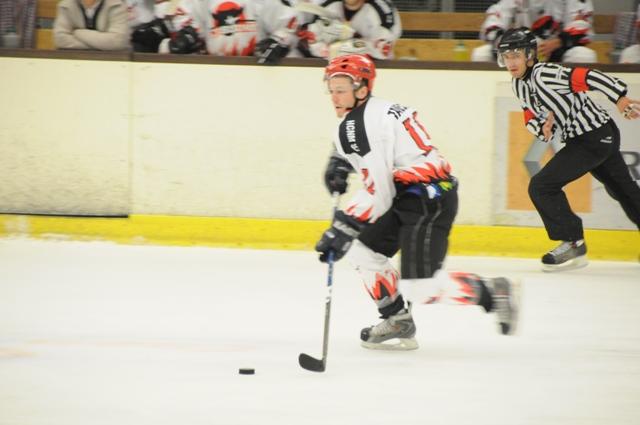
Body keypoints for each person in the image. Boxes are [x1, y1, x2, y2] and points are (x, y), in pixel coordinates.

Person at [315, 54, 519, 351]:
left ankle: (492, 292)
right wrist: (340, 159)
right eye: (331, 90)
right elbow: (379, 147)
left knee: (421, 288)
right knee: (362, 248)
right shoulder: (377, 109)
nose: (334, 97)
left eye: (341, 90)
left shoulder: (360, 124)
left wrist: (344, 225)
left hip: (427, 199)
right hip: (409, 194)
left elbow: (379, 192)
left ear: (362, 89)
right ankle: (397, 319)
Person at [497, 27, 640, 272]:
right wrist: (542, 127)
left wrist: (620, 98)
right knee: (624, 191)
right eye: (506, 57)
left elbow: (590, 76)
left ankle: (574, 243)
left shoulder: (545, 74)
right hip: (592, 137)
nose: (511, 62)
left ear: (530, 56)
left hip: (593, 137)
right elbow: (529, 113)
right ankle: (574, 242)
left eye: (516, 55)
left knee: (541, 186)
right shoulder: (518, 84)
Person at [472, 0, 596, 64]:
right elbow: (494, 20)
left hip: (557, 51)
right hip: (519, 52)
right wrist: (505, 42)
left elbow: (582, 24)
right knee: (481, 54)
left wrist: (558, 42)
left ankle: (576, 103)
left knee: (584, 56)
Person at [297, 0, 401, 60]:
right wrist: (316, 44)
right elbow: (313, 45)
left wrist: (345, 40)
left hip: (376, 72)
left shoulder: (382, 10)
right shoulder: (328, 5)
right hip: (333, 71)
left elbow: (380, 53)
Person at [53, 0, 129, 51]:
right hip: (74, 60)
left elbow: (118, 41)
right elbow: (60, 40)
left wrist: (78, 33)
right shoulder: (66, 5)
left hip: (112, 62)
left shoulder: (116, 4)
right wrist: (101, 46)